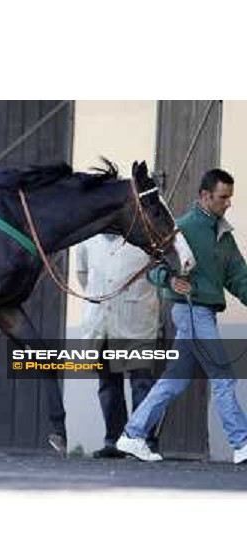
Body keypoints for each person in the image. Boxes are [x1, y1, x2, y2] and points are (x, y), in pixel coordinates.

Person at [117, 168, 247, 464]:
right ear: (204, 196)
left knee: (174, 381)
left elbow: (239, 277)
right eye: (222, 197)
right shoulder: (182, 228)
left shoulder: (222, 234)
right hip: (191, 311)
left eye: (230, 197)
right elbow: (153, 268)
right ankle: (242, 443)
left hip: (203, 314)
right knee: (223, 377)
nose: (228, 203)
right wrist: (170, 280)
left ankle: (133, 434)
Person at [76, 234, 159, 458]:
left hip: (137, 317)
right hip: (101, 320)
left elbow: (160, 272)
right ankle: (114, 441)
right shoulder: (88, 238)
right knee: (108, 382)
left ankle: (143, 440)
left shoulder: (142, 235)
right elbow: (82, 274)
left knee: (141, 381)